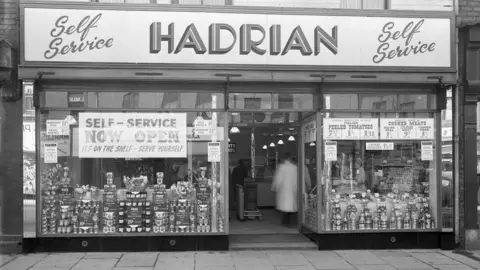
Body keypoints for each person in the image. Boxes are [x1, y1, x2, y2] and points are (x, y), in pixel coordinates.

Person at [271, 153, 298, 226]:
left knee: (286, 206)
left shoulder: (281, 167)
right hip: (292, 190)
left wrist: (274, 187)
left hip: (284, 190)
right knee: (291, 206)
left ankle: (285, 222)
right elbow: (296, 179)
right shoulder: (294, 167)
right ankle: (291, 222)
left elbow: (278, 179)